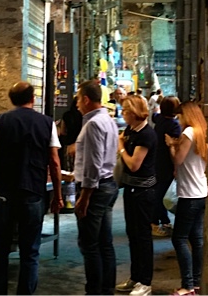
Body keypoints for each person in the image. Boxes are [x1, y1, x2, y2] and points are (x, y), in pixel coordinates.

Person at [0, 82, 63, 295]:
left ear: (11, 99)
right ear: (33, 98)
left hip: (3, 193)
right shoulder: (47, 123)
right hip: (33, 193)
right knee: (30, 252)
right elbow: (54, 162)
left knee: (0, 251)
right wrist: (57, 195)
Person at [74, 79, 119, 295]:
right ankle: (106, 288)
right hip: (108, 184)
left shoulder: (93, 124)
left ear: (86, 99)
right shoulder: (108, 120)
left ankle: (94, 290)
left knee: (90, 244)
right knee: (104, 242)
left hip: (96, 189)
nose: (76, 105)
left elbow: (93, 164)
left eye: (78, 99)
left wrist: (85, 196)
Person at [116, 95, 157, 296]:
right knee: (132, 234)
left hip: (143, 192)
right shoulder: (131, 131)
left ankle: (145, 282)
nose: (123, 114)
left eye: (125, 111)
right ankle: (135, 277)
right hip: (131, 189)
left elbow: (134, 164)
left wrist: (121, 148)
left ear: (133, 112)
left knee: (142, 236)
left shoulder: (146, 135)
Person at [165, 101, 208, 296]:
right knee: (196, 239)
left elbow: (178, 159)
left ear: (186, 115)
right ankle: (196, 283)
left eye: (179, 116)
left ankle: (187, 285)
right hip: (201, 191)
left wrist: (170, 146)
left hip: (189, 194)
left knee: (179, 239)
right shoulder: (202, 132)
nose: (178, 120)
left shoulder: (189, 132)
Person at [151, 95, 181, 237]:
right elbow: (174, 146)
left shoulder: (159, 120)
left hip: (157, 161)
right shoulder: (174, 125)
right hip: (168, 163)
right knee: (164, 195)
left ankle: (162, 221)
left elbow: (154, 115)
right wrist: (176, 167)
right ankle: (157, 221)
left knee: (159, 192)